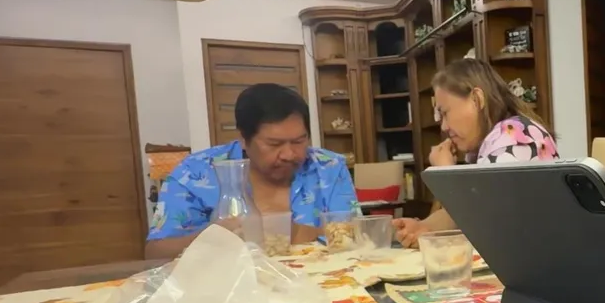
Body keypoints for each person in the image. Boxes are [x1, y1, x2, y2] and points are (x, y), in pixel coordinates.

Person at [146, 83, 358, 258]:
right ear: (243, 139)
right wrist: (212, 238)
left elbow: (353, 239)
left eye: (299, 141)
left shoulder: (328, 167)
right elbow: (155, 253)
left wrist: (294, 231)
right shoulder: (194, 173)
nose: (289, 154)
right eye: (274, 144)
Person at [394, 59, 558, 247]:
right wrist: (424, 227)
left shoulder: (512, 137)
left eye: (445, 112)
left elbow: (482, 223)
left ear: (476, 99)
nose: (444, 126)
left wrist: (445, 173)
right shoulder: (501, 136)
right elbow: (472, 207)